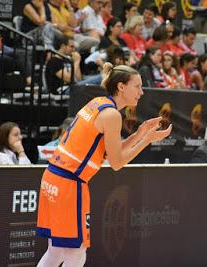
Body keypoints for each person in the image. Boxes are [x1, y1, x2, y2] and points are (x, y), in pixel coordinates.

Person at [36, 62, 172, 267]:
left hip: (53, 177)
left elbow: (109, 151)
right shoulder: (112, 115)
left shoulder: (98, 103)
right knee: (77, 251)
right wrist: (147, 141)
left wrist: (139, 133)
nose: (141, 92)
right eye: (137, 86)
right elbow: (116, 163)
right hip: (69, 184)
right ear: (121, 87)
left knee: (56, 250)